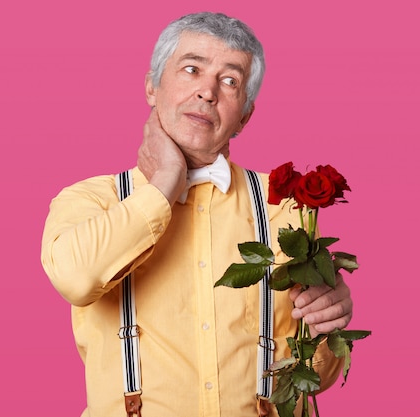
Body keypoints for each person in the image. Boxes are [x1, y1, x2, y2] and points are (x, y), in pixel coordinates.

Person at [41, 12, 354, 417]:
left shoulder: (285, 207)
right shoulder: (90, 199)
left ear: (245, 114)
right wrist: (166, 182)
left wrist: (328, 326)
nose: (208, 91)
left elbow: (311, 377)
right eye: (192, 69)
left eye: (229, 81)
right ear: (152, 86)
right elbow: (76, 278)